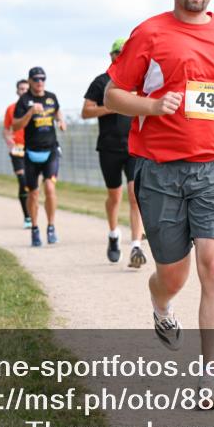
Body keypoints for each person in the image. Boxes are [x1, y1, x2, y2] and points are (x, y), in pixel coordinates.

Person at [105, 0, 214, 405]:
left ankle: (210, 376)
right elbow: (114, 95)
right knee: (172, 275)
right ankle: (161, 306)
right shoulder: (149, 34)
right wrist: (151, 106)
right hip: (159, 173)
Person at [83, 38, 147, 268]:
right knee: (114, 197)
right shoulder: (101, 82)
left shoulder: (138, 81)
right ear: (110, 55)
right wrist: (110, 107)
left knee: (135, 196)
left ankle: (136, 247)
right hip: (109, 147)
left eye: (124, 52)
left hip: (133, 147)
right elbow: (85, 112)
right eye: (117, 52)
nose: (120, 55)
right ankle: (113, 235)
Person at [12, 67, 66, 247]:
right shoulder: (24, 100)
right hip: (31, 153)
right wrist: (30, 113)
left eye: (43, 79)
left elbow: (57, 110)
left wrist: (61, 120)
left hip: (50, 150)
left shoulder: (51, 96)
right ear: (29, 81)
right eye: (36, 79)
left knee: (50, 188)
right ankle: (35, 229)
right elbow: (15, 126)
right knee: (33, 194)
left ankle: (51, 227)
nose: (40, 82)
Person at [4, 79, 33, 228]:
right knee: (22, 180)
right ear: (17, 91)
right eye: (21, 89)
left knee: (31, 184)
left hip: (33, 148)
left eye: (25, 89)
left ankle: (33, 212)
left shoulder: (35, 108)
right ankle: (27, 216)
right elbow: (6, 130)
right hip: (17, 149)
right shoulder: (10, 109)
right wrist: (9, 140)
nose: (23, 91)